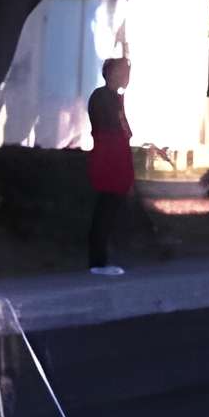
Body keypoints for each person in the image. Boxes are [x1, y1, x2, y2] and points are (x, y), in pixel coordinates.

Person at [86, 53, 135, 275]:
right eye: (124, 71)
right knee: (105, 208)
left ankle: (103, 256)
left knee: (111, 208)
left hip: (118, 159)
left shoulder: (115, 99)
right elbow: (108, 131)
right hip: (108, 159)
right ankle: (97, 260)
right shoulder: (101, 97)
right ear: (113, 73)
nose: (127, 77)